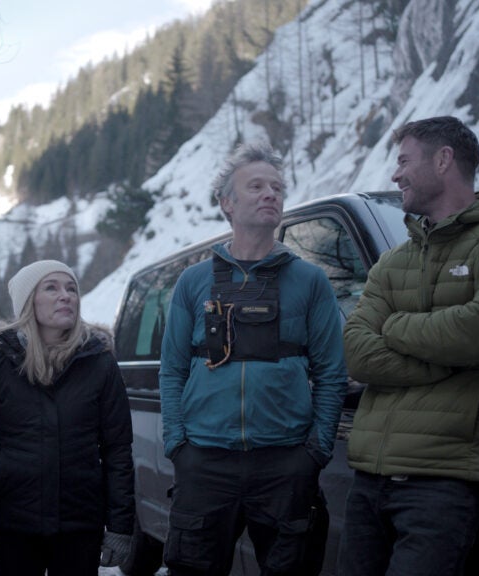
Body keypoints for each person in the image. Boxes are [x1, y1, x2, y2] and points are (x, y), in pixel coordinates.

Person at [338, 116, 479, 576]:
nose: (395, 174)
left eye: (404, 161)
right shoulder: (394, 260)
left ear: (443, 159)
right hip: (369, 479)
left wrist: (392, 326)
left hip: (449, 482)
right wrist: (446, 364)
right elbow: (355, 350)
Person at [158, 141, 349, 576]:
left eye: (278, 188)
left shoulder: (310, 280)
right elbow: (170, 369)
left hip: (285, 466)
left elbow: (332, 374)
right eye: (257, 186)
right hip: (204, 462)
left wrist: (313, 453)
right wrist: (177, 446)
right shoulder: (193, 282)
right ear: (226, 202)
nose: (271, 194)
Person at [0, 260, 135, 575]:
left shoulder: (99, 363)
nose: (65, 296)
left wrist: (120, 527)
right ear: (28, 302)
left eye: (71, 289)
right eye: (51, 287)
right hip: (13, 527)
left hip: (79, 527)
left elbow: (117, 451)